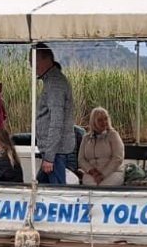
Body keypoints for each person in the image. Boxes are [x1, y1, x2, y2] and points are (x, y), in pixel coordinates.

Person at [33, 44, 76, 184]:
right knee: (41, 186)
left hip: (56, 152)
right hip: (53, 151)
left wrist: (49, 157)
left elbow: (56, 121)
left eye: (34, 61)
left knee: (56, 192)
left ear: (45, 60)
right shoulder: (51, 81)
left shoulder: (55, 83)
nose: (32, 66)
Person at [78, 107, 125, 186]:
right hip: (92, 173)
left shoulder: (113, 135)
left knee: (104, 187)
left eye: (106, 119)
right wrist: (92, 171)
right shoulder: (86, 138)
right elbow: (81, 159)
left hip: (113, 172)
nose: (104, 122)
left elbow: (118, 158)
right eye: (100, 120)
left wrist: (103, 174)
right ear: (93, 122)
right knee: (91, 187)